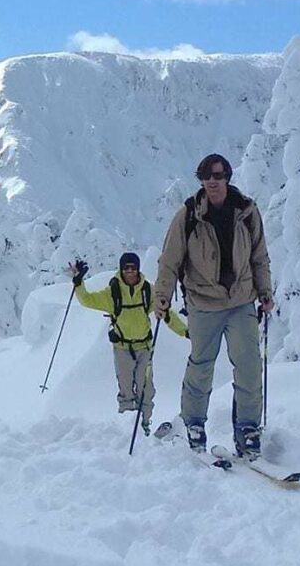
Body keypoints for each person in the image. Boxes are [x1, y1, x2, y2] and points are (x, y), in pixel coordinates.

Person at [152, 153, 273, 458]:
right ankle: (193, 423)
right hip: (203, 303)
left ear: (227, 177)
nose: (212, 181)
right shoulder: (189, 215)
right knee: (201, 365)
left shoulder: (246, 211)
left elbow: (259, 256)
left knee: (248, 365)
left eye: (218, 175)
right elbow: (170, 260)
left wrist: (265, 291)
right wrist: (162, 295)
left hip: (241, 300)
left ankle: (247, 428)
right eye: (206, 177)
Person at [67, 252, 186, 435]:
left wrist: (184, 331)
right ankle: (129, 431)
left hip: (145, 348)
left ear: (138, 269)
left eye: (133, 268)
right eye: (126, 268)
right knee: (126, 393)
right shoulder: (112, 293)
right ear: (121, 269)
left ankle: (143, 428)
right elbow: (87, 300)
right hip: (122, 349)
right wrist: (78, 283)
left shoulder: (148, 290)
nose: (129, 272)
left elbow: (166, 313)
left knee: (146, 392)